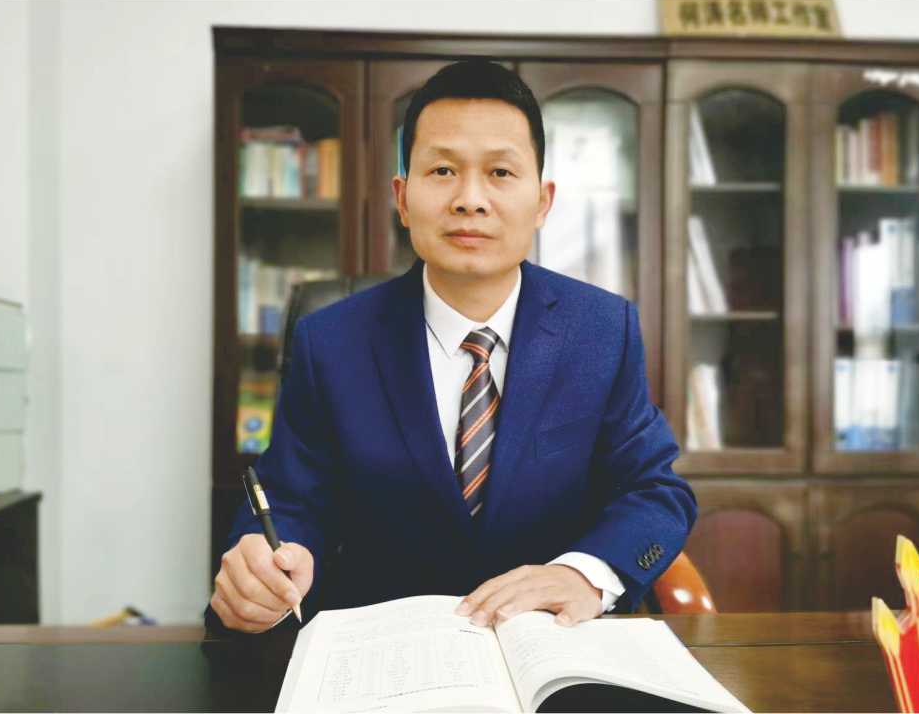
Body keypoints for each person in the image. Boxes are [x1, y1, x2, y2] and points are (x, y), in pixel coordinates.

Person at [208, 60, 696, 634]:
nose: (470, 199)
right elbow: (289, 501)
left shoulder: (601, 329)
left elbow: (654, 489)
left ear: (542, 202)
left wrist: (585, 576)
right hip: (387, 648)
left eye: (500, 172)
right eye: (442, 170)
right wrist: (267, 563)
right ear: (403, 197)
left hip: (549, 645)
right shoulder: (331, 341)